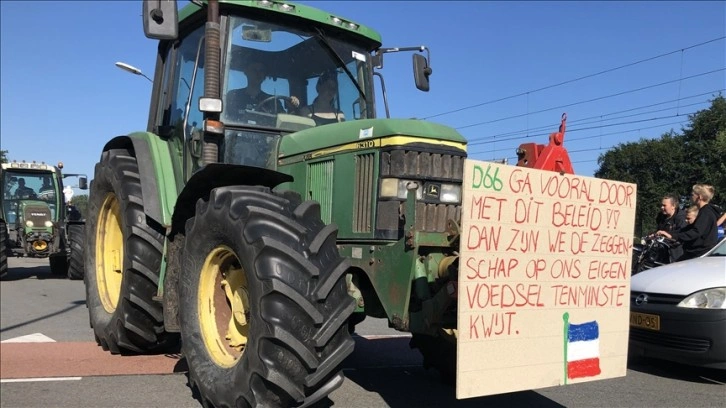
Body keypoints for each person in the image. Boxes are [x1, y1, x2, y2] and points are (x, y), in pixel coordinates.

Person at [657, 184, 720, 260]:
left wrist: (674, 236)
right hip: (698, 252)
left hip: (700, 253)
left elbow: (696, 232)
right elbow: (688, 229)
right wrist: (671, 234)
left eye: (692, 194)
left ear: (699, 197)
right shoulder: (704, 211)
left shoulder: (706, 212)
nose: (690, 197)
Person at [226, 61, 297, 115]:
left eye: (261, 71)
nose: (258, 73)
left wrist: (292, 108)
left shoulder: (274, 102)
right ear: (246, 72)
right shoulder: (233, 96)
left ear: (264, 76)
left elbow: (283, 124)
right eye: (254, 70)